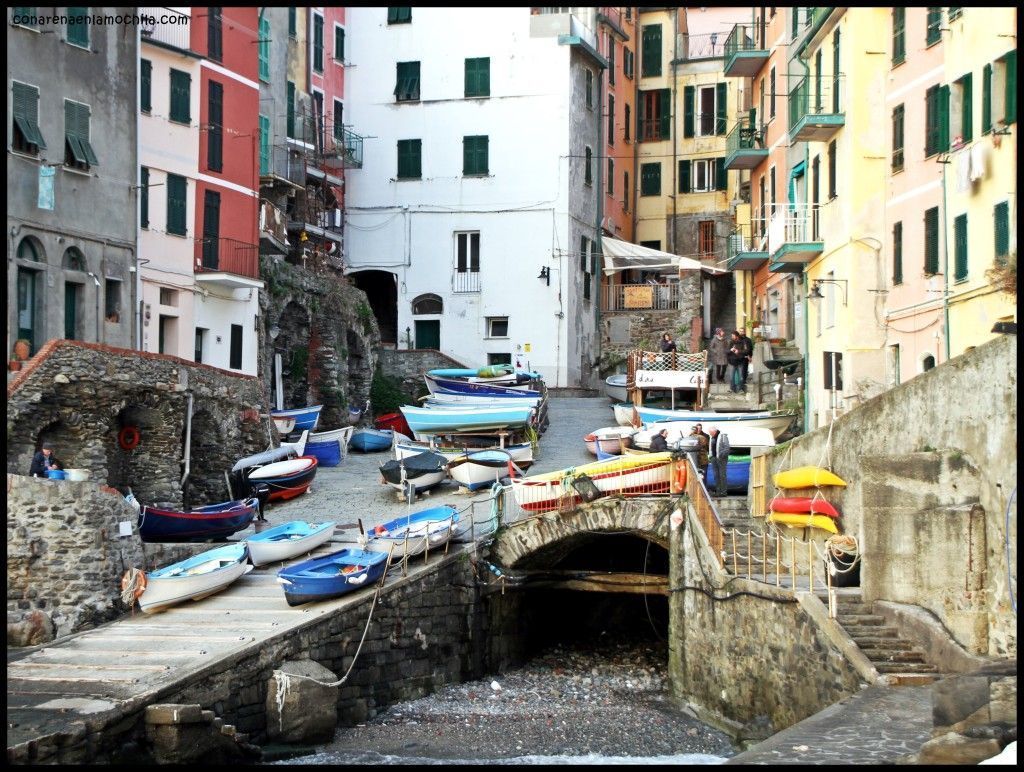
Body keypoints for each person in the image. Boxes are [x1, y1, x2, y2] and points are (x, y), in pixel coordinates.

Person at [709, 428, 731, 497]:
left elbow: (727, 448)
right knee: (716, 476)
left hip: (721, 459)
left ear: (715, 432)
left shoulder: (723, 436)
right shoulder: (711, 437)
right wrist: (711, 457)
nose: (710, 434)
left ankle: (723, 492)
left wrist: (721, 455)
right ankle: (718, 491)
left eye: (711, 433)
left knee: (722, 475)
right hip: (714, 458)